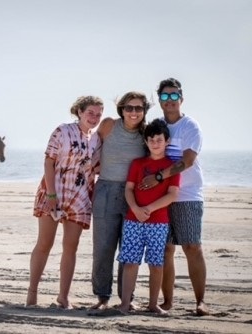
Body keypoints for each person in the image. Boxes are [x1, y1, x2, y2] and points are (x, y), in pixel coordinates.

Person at [139, 78, 210, 316]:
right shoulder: (157, 126)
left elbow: (187, 161)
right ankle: (167, 302)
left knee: (192, 247)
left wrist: (159, 177)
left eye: (174, 95)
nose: (169, 100)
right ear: (159, 100)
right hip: (161, 198)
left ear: (181, 98)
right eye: (165, 96)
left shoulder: (190, 126)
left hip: (187, 195)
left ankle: (200, 301)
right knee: (165, 250)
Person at [26, 96, 103, 309]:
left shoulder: (96, 140)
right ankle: (31, 295)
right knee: (44, 244)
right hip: (54, 193)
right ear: (79, 111)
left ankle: (63, 297)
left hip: (79, 197)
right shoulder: (62, 131)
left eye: (98, 114)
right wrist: (51, 196)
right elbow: (49, 162)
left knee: (71, 247)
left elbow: (96, 169)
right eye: (90, 113)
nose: (94, 118)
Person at [91, 91, 150, 310]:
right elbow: (92, 150)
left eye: (138, 108)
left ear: (144, 111)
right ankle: (102, 297)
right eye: (129, 108)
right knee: (103, 248)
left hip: (134, 195)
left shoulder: (146, 133)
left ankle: (127, 298)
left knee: (129, 249)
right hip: (106, 190)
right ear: (121, 109)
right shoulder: (108, 125)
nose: (133, 112)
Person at [118, 119, 180, 315]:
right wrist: (136, 208)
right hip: (133, 220)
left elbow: (172, 194)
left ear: (167, 141)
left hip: (158, 223)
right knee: (130, 262)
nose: (155, 143)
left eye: (159, 140)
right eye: (151, 139)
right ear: (146, 141)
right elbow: (128, 189)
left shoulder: (171, 167)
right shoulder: (137, 164)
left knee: (156, 263)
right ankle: (125, 303)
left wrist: (149, 208)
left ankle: (153, 304)